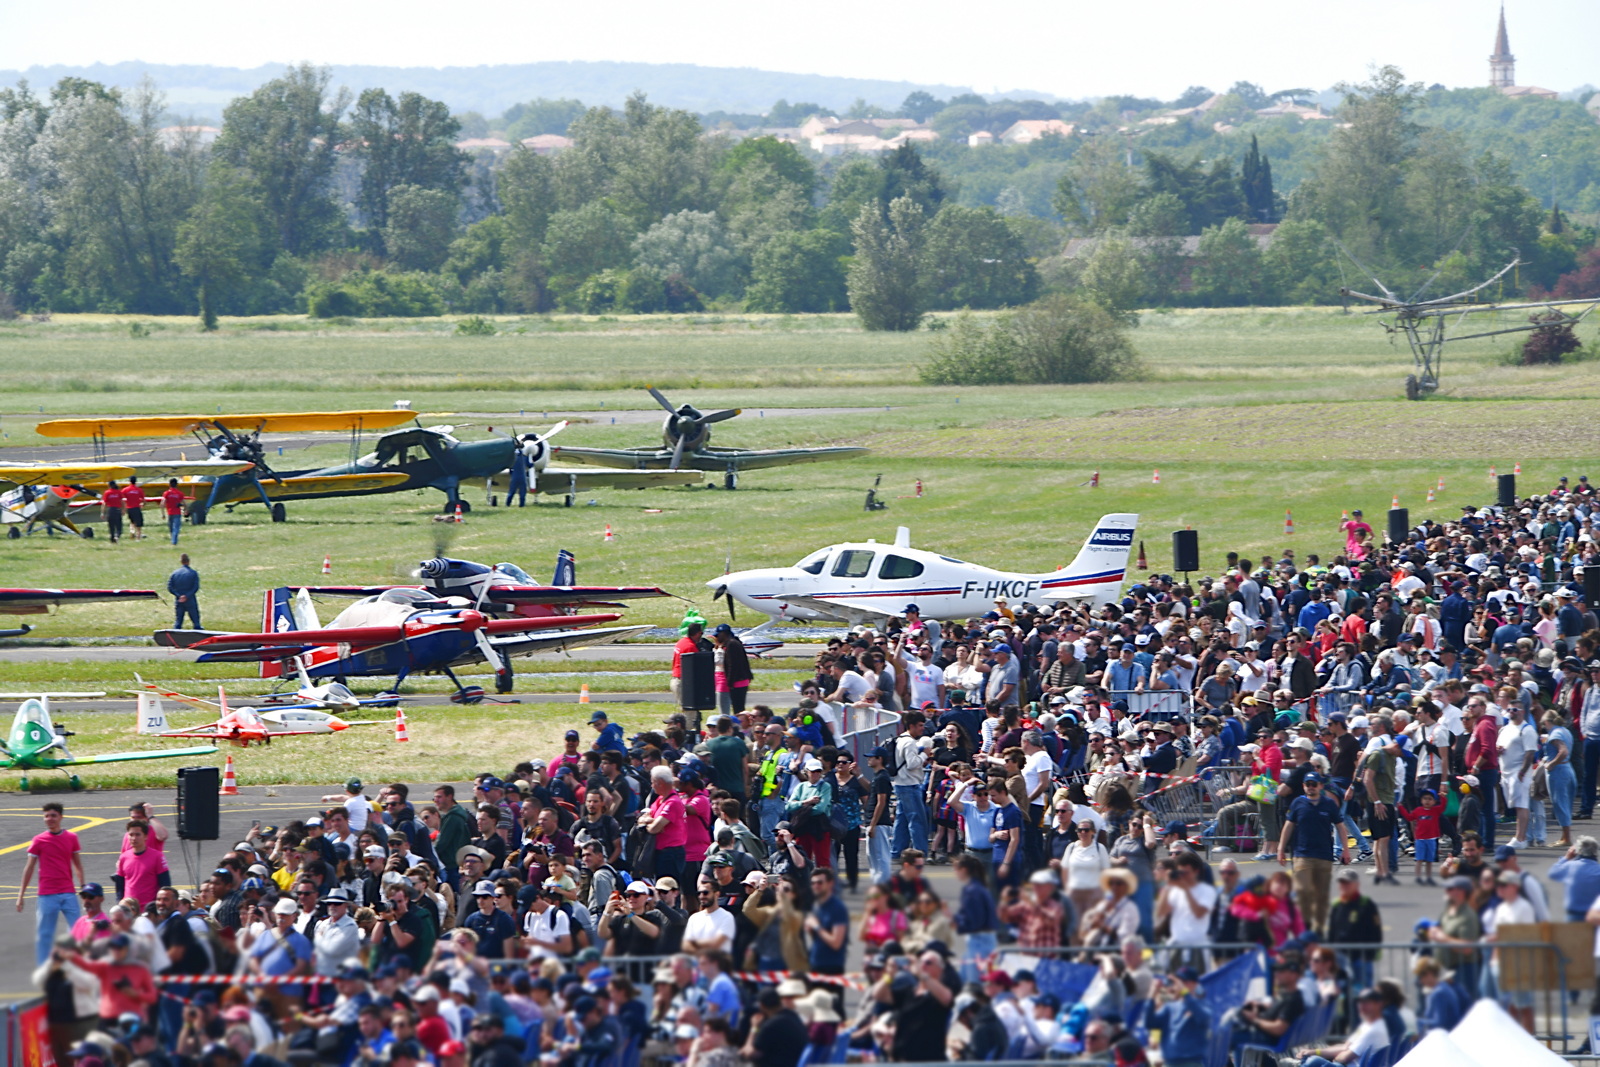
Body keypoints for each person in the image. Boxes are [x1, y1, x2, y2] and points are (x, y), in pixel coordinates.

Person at [1277, 772, 1346, 935]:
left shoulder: (1329, 804)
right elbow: (1288, 826)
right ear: (1303, 786)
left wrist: (1345, 849)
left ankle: (1319, 928)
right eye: (1307, 784)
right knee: (1303, 891)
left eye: (1314, 784)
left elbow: (1340, 826)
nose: (1310, 787)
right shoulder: (1297, 803)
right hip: (1302, 854)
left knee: (1321, 896)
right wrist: (1281, 849)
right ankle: (1305, 926)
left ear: (1320, 786)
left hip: (1324, 855)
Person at [17, 802, 86, 967]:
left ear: (61, 817)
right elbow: (29, 868)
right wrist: (21, 895)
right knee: (45, 934)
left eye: (53, 815)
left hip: (68, 893)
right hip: (46, 894)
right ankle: (45, 972)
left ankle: (78, 966)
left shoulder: (71, 838)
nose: (50, 819)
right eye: (46, 816)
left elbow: (77, 865)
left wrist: (83, 888)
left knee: (78, 931)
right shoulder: (39, 840)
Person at [1299, 987, 1390, 1067]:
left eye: (1367, 1003)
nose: (1362, 1006)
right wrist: (1315, 1052)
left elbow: (1344, 1058)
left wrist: (1334, 1057)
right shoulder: (1368, 1025)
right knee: (1313, 1058)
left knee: (1314, 1061)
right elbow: (1345, 1047)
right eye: (1360, 1002)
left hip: (1345, 1065)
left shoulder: (1373, 1030)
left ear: (1379, 1004)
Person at [1150, 967, 1211, 1067]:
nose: (1179, 985)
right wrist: (1152, 994)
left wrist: (1185, 994)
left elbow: (1204, 1018)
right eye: (1177, 982)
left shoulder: (1201, 1004)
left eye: (1183, 982)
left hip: (1191, 1062)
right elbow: (1151, 1027)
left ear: (1194, 983)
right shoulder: (1169, 1008)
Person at [168, 554, 201, 630]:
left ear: (181, 562)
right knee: (196, 621)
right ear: (188, 561)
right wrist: (187, 596)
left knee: (178, 621)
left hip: (179, 600)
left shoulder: (175, 573)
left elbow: (170, 587)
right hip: (190, 599)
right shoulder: (193, 573)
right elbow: (195, 587)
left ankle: (175, 636)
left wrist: (179, 596)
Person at [161, 478, 186, 545]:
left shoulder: (166, 493)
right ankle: (174, 541)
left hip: (170, 512)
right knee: (176, 528)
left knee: (171, 528)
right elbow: (184, 503)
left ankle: (173, 540)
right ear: (177, 485)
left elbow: (162, 503)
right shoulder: (180, 493)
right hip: (177, 513)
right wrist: (185, 509)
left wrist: (163, 514)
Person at [122, 476, 146, 540]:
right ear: (136, 481)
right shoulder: (139, 490)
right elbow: (144, 500)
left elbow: (121, 497)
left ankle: (132, 531)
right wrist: (143, 504)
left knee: (132, 522)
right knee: (138, 524)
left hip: (129, 508)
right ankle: (138, 537)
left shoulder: (125, 490)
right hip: (137, 507)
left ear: (129, 481)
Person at [101, 480, 124, 544]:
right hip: (117, 510)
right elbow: (122, 502)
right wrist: (123, 510)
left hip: (110, 510)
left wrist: (102, 513)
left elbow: (104, 503)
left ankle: (112, 538)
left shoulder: (107, 492)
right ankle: (117, 536)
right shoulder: (119, 492)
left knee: (111, 526)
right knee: (119, 525)